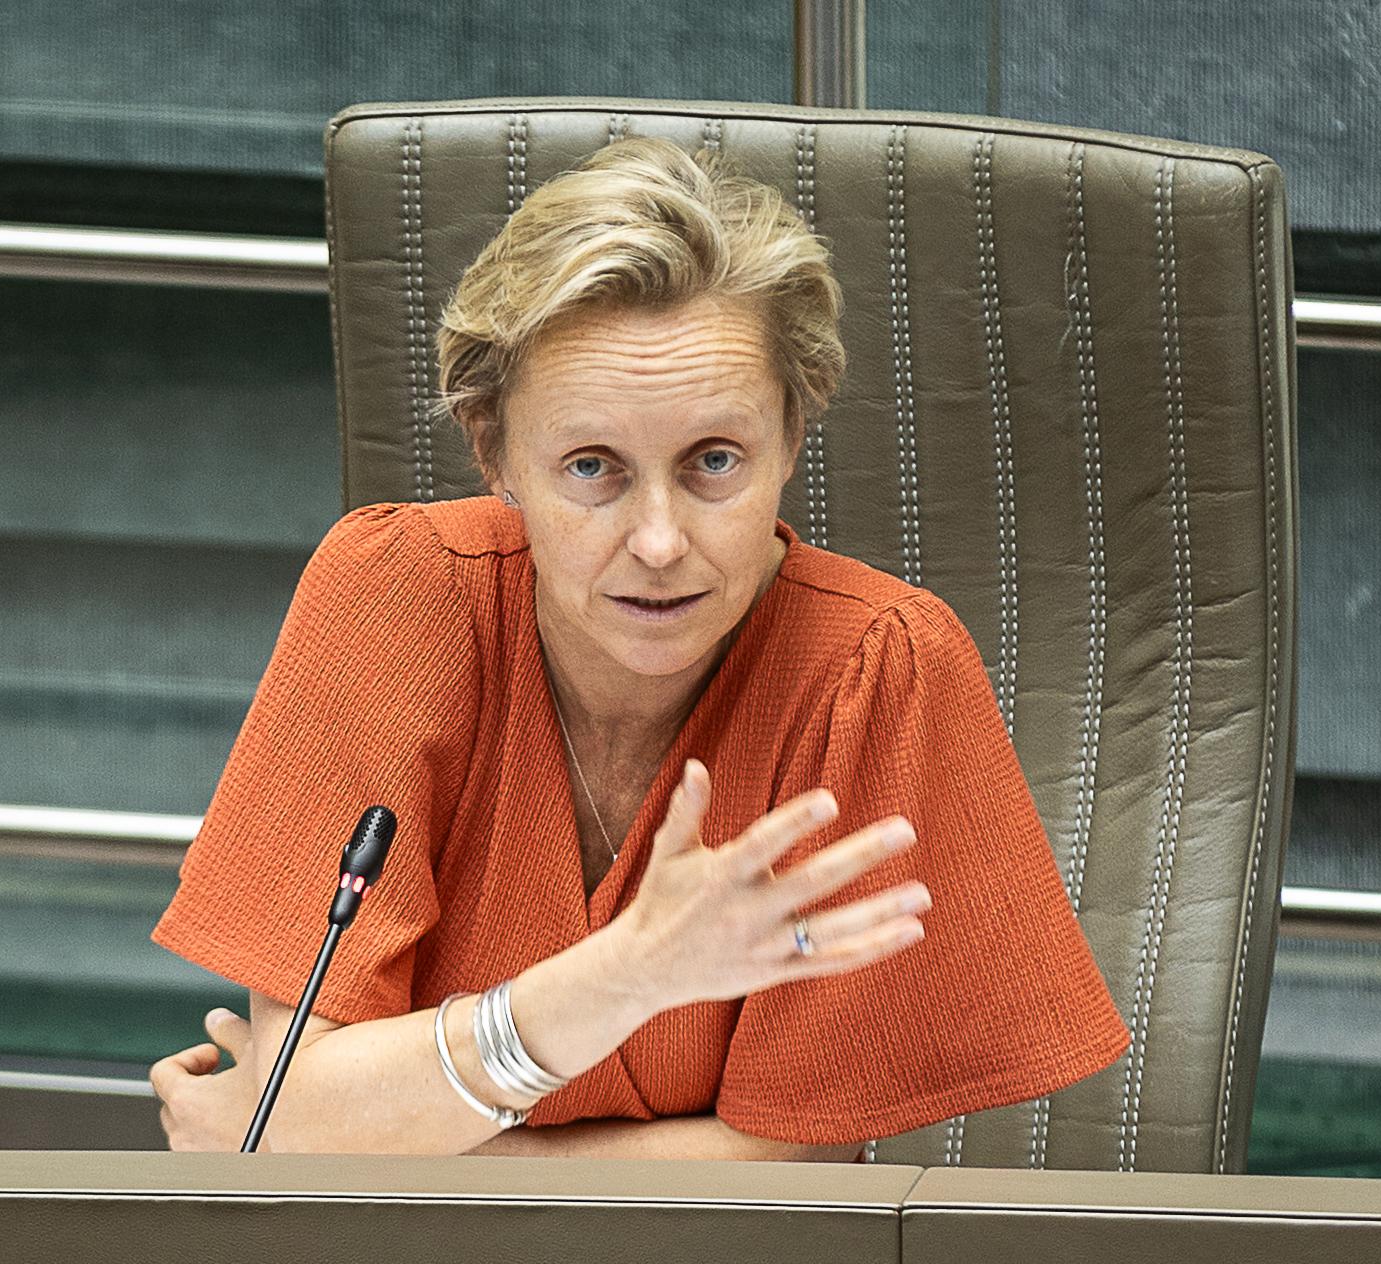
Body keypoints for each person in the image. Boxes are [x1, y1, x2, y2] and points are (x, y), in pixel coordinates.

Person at [147, 137, 1128, 1159]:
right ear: (494, 451)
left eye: (714, 460)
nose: (659, 542)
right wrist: (614, 984)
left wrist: (412, 1128)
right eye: (592, 466)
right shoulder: (396, 593)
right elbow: (295, 1110)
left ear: (792, 435)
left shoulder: (877, 671)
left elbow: (780, 1184)